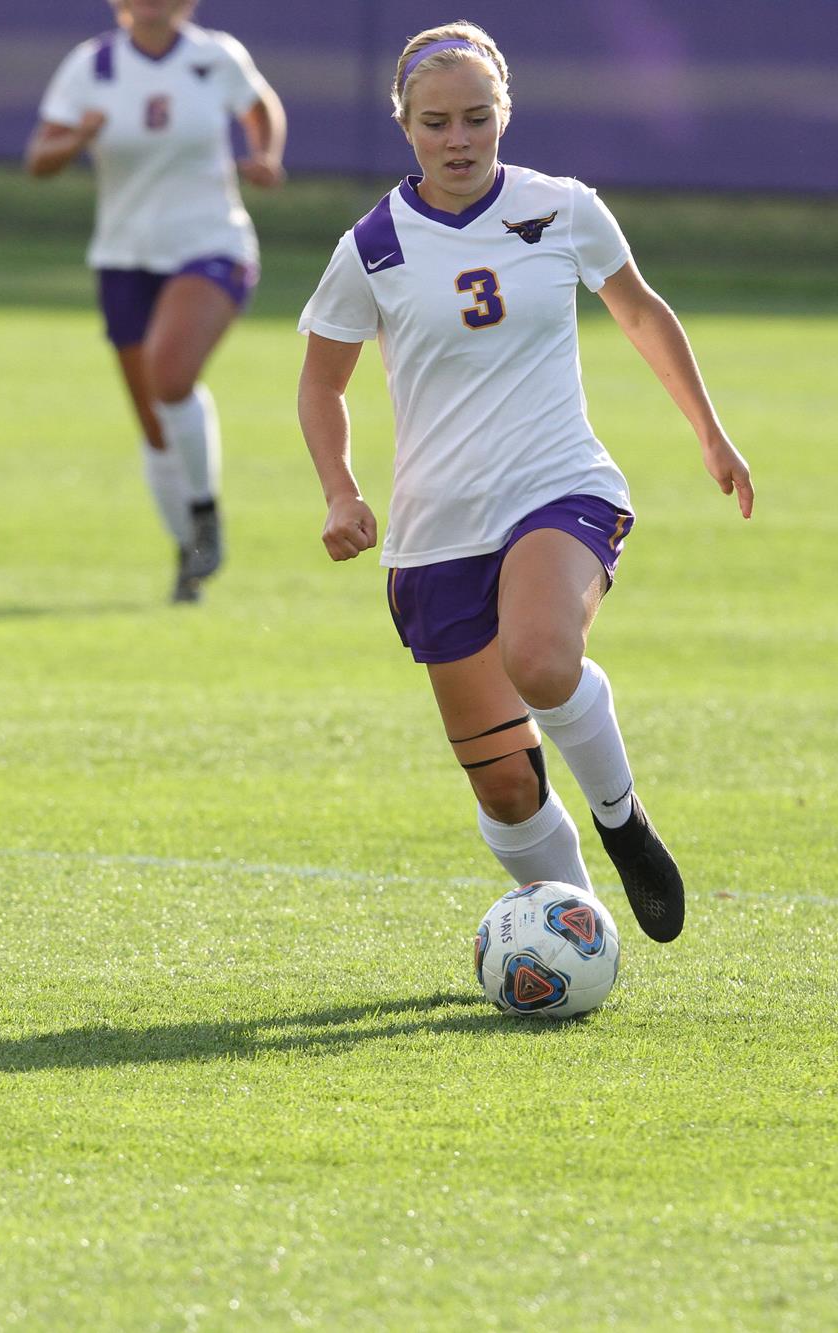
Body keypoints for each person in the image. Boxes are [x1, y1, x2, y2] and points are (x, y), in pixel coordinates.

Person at [295, 22, 753, 942]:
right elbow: (321, 383)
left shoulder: (563, 207)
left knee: (542, 660)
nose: (457, 140)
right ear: (405, 125)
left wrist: (708, 430)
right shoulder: (374, 247)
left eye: (476, 118)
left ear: (505, 115)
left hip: (559, 486)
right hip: (436, 531)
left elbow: (641, 312)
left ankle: (622, 818)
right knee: (507, 789)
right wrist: (340, 491)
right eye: (436, 123)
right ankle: (577, 930)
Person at [26, 0, 287, 603]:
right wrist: (77, 140)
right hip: (123, 258)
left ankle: (204, 514)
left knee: (170, 377)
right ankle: (188, 553)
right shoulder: (92, 66)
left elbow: (259, 107)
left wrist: (265, 154)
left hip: (211, 244)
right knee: (154, 425)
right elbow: (39, 160)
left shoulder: (212, 55)